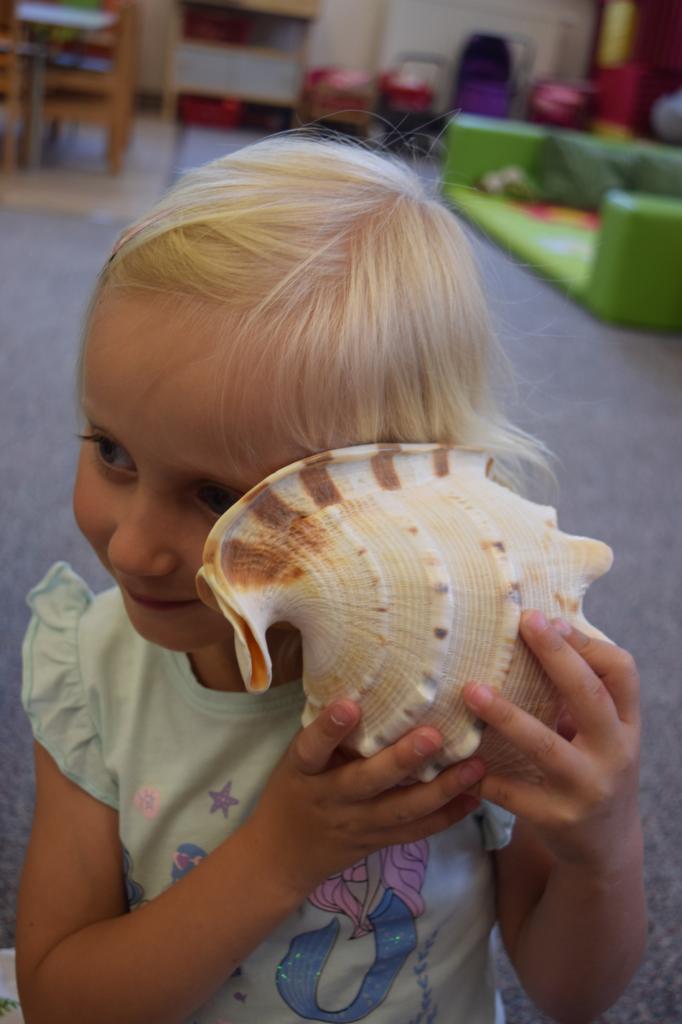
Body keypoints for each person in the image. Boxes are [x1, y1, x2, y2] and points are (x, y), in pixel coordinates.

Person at [16, 134, 646, 1024]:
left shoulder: (470, 680)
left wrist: (602, 852)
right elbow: (61, 999)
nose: (133, 550)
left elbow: (571, 993)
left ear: (402, 500)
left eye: (217, 497)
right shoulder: (92, 672)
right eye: (111, 451)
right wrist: (279, 857)